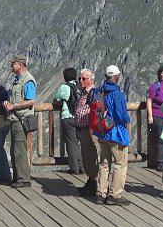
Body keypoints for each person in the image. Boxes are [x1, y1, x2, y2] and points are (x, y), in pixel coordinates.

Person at [92, 65, 133, 206]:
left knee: (104, 163)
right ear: (117, 77)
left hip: (102, 131)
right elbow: (122, 115)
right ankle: (114, 194)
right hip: (116, 133)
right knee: (120, 163)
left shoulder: (99, 90)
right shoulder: (117, 94)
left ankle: (100, 194)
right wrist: (127, 125)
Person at [3, 56, 37, 189]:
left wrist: (14, 105)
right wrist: (8, 103)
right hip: (15, 118)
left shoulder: (28, 80)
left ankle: (24, 178)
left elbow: (31, 100)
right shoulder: (18, 79)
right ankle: (17, 176)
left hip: (22, 119)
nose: (11, 66)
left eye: (13, 64)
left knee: (20, 149)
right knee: (15, 149)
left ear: (20, 65)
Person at [67, 68, 99, 195]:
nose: (80, 80)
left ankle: (94, 183)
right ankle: (91, 181)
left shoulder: (93, 92)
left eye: (84, 78)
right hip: (82, 128)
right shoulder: (82, 92)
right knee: (86, 156)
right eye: (79, 78)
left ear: (91, 80)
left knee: (92, 156)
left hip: (89, 129)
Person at [53, 66, 85, 176]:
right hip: (80, 117)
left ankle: (74, 168)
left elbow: (56, 100)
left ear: (64, 77)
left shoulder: (64, 87)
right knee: (78, 142)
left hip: (68, 116)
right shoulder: (79, 86)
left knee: (71, 143)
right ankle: (82, 167)